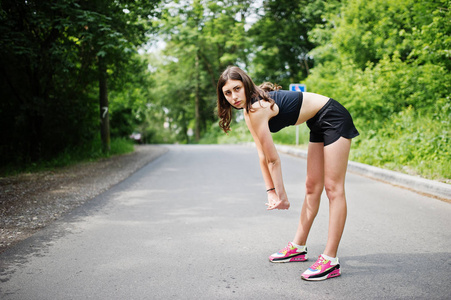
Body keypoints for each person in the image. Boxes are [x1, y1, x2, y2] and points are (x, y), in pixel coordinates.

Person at [216, 66, 359, 281]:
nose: (234, 97)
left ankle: (330, 260)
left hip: (333, 116)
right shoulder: (248, 111)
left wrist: (282, 197)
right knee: (312, 187)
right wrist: (271, 192)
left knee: (333, 188)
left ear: (246, 85)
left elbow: (274, 159)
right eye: (228, 93)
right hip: (317, 122)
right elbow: (263, 156)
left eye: (237, 89)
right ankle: (298, 247)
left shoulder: (257, 108)